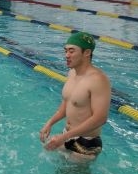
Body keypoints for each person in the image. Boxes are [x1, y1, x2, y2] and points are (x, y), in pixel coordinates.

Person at [39, 32, 111, 161]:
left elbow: (100, 118)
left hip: (86, 143)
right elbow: (67, 104)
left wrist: (63, 138)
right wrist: (49, 123)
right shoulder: (72, 73)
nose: (66, 55)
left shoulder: (98, 80)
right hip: (67, 135)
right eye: (66, 51)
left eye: (72, 51)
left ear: (87, 53)